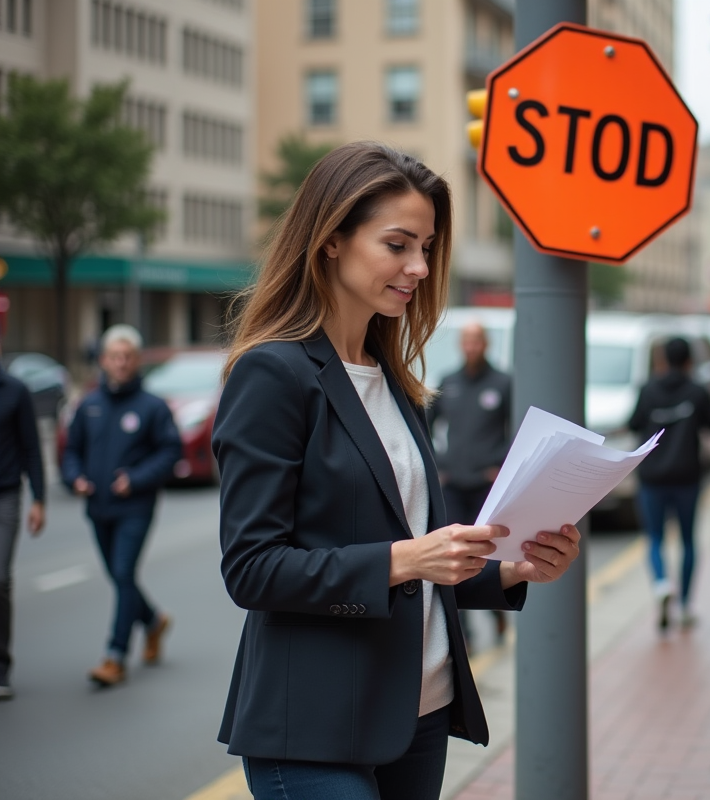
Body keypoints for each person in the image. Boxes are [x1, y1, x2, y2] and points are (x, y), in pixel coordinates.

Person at [212, 141, 581, 800]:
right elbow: (252, 567)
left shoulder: (394, 381)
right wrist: (408, 559)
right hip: (314, 729)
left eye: (428, 246)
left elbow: (418, 558)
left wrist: (515, 570)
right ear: (331, 240)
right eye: (397, 244)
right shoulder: (274, 374)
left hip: (420, 714)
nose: (418, 266)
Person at [61, 324, 181, 688]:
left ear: (137, 360)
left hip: (135, 507)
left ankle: (115, 655)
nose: (121, 363)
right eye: (115, 356)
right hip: (98, 507)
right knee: (117, 575)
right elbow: (71, 451)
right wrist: (75, 478)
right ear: (104, 361)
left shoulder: (152, 407)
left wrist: (137, 479)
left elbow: (169, 452)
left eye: (127, 357)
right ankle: (153, 620)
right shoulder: (89, 404)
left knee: (124, 573)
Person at [627, 337, 710, 632]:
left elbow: (633, 423)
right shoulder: (697, 391)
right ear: (688, 361)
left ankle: (660, 583)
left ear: (663, 360)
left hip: (652, 477)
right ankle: (685, 605)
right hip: (687, 477)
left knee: (655, 538)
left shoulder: (648, 390)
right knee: (688, 540)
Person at [428, 321, 512, 649]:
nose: (471, 347)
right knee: (456, 556)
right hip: (453, 483)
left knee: (488, 554)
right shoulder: (448, 383)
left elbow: (516, 429)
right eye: (466, 341)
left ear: (486, 344)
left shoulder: (503, 383)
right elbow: (425, 425)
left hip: (485, 484)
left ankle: (495, 613)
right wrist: (440, 465)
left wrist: (498, 465)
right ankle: (464, 630)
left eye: (476, 341)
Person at [0, 341, 46, 699]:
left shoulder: (15, 391)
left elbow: (31, 447)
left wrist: (40, 499)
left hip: (7, 496)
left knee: (0, 579)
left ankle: (1, 668)